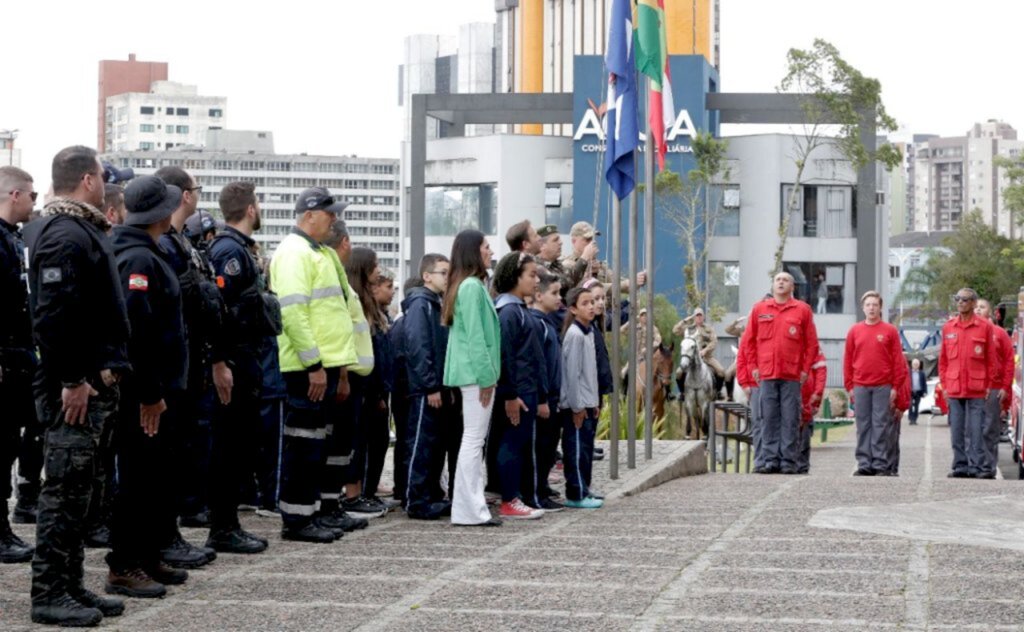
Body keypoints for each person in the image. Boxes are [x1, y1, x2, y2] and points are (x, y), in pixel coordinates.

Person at [24, 146, 129, 626]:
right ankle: (48, 593)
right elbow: (52, 316)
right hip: (75, 386)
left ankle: (70, 585)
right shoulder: (64, 234)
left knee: (82, 492)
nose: (106, 184)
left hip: (93, 381)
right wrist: (72, 379)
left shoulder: (83, 228)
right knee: (64, 491)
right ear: (89, 180)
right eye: (103, 177)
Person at [104, 175, 192, 598]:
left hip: (159, 389)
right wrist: (151, 393)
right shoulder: (137, 259)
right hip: (146, 393)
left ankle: (147, 553)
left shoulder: (148, 252)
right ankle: (124, 564)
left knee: (156, 477)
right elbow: (137, 332)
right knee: (138, 478)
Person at [271, 188, 356, 542]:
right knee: (303, 446)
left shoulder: (316, 251)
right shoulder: (294, 254)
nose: (333, 219)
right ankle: (297, 519)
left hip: (325, 364)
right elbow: (293, 313)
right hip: (308, 368)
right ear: (309, 216)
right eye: (329, 213)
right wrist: (315, 365)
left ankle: (314, 512)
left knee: (318, 444)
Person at [153, 166, 220, 566]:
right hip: (171, 364)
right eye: (196, 189)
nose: (197, 196)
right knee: (166, 455)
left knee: (181, 451)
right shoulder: (162, 244)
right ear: (184, 195)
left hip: (191, 359)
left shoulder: (180, 242)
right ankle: (164, 537)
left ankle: (170, 533)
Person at [203, 181, 275, 553]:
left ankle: (229, 523)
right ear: (250, 208)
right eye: (258, 203)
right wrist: (221, 360)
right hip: (234, 358)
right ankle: (222, 527)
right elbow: (219, 308)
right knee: (228, 445)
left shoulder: (241, 248)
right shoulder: (229, 250)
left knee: (240, 443)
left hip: (246, 356)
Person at [442, 230, 501, 527]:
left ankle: (469, 508)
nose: (490, 251)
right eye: (486, 247)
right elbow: (477, 338)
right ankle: (470, 510)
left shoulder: (466, 285)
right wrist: (488, 376)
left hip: (472, 373)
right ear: (473, 252)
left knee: (472, 440)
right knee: (473, 440)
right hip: (476, 374)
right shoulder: (471, 287)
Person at [325, 236, 383, 519]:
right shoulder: (349, 293)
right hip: (351, 375)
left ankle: (355, 492)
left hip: (364, 377)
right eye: (375, 266)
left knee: (358, 437)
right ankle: (349, 494)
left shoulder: (362, 297)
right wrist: (345, 374)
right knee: (349, 438)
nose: (379, 271)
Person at [740, 272, 819, 475]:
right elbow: (748, 342)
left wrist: (805, 369)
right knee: (768, 418)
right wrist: (753, 368)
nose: (781, 283)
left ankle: (788, 461)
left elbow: (811, 344)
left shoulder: (802, 310)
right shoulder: (760, 309)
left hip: (792, 374)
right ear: (773, 285)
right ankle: (769, 460)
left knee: (791, 419)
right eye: (778, 280)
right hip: (766, 374)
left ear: (792, 287)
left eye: (786, 280)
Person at [0, 166, 40, 561]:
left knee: (9, 445)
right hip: (3, 359)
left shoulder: (12, 240)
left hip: (16, 358)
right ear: (14, 195)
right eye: (31, 194)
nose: (34, 201)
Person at [401, 254, 460, 519]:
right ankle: (416, 500)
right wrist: (430, 385)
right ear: (427, 276)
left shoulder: (436, 304)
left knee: (435, 445)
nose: (448, 278)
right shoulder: (420, 304)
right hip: (426, 389)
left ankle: (432, 494)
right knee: (421, 444)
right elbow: (418, 346)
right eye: (443, 273)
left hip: (440, 387)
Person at [492, 252, 546, 520]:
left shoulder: (519, 309)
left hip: (526, 389)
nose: (536, 281)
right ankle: (509, 499)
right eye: (531, 275)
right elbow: (505, 356)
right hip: (517, 392)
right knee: (511, 444)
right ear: (515, 277)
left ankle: (517, 495)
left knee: (519, 444)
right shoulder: (509, 311)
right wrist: (510, 394)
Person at [939, 288, 1000, 478]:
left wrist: (989, 385)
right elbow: (943, 361)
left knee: (976, 431)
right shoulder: (949, 327)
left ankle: (977, 467)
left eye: (965, 300)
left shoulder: (984, 327)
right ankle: (960, 466)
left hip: (977, 388)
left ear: (973, 303)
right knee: (956, 431)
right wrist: (944, 385)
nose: (960, 302)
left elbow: (991, 360)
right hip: (955, 387)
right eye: (958, 299)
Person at [843, 291, 905, 476]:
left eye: (875, 305)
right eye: (868, 305)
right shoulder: (854, 331)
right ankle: (864, 463)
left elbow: (897, 360)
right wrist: (849, 386)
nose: (871, 308)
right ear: (863, 308)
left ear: (880, 308)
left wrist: (895, 386)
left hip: (882, 386)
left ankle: (880, 463)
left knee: (881, 425)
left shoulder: (890, 331)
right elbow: (848, 360)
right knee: (863, 426)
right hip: (860, 385)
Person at [560, 287, 603, 509]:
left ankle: (585, 488)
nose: (591, 307)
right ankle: (575, 493)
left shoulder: (589, 332)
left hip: (588, 403)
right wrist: (577, 407)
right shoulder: (575, 335)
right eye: (585, 303)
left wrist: (594, 402)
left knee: (586, 450)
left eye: (593, 302)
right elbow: (572, 375)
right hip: (576, 406)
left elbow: (591, 373)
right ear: (573, 309)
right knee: (575, 450)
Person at [530, 269, 565, 512]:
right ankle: (536, 492)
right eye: (554, 293)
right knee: (541, 449)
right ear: (539, 295)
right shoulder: (537, 323)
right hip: (544, 399)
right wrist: (542, 398)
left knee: (548, 448)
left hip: (553, 397)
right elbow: (537, 365)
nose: (559, 297)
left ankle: (541, 488)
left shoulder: (547, 323)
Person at [364, 271, 396, 500]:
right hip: (372, 389)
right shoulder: (368, 318)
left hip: (383, 387)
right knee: (371, 441)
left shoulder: (383, 316)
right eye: (388, 286)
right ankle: (364, 490)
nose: (392, 291)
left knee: (380, 440)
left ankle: (370, 487)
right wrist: (377, 394)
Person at [975, 298, 1013, 479]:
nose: (977, 310)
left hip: (994, 388)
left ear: (989, 312)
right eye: (975, 307)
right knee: (973, 429)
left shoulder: (999, 334)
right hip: (973, 389)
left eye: (982, 307)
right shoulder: (969, 333)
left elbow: (1008, 362)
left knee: (989, 429)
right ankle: (973, 465)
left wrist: (1005, 388)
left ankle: (988, 467)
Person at [561, 221, 645, 292]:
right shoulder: (567, 264)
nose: (592, 243)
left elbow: (621, 284)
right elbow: (587, 288)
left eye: (593, 239)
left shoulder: (599, 265)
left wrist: (636, 280)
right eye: (587, 240)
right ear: (573, 241)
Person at [797, 346, 827, 474]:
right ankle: (788, 463)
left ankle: (802, 466)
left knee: (804, 435)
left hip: (807, 398)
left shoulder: (814, 348)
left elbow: (821, 373)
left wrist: (817, 395)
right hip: (788, 395)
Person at [672, 307, 725, 380]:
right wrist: (684, 321)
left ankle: (718, 391)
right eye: (697, 315)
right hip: (690, 358)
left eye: (701, 315)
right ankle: (682, 391)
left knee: (721, 371)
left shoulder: (709, 329)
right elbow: (675, 331)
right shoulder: (688, 328)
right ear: (694, 317)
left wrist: (705, 350)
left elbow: (714, 341)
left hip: (707, 357)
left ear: (703, 317)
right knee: (678, 373)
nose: (699, 317)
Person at [909, 358, 927, 426]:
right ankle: (911, 419)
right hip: (910, 392)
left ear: (919, 365)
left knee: (916, 406)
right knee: (910, 405)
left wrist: (925, 392)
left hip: (918, 392)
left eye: (917, 364)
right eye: (914, 364)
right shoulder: (909, 373)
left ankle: (915, 419)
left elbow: (924, 383)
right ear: (912, 365)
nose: (915, 365)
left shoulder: (922, 373)